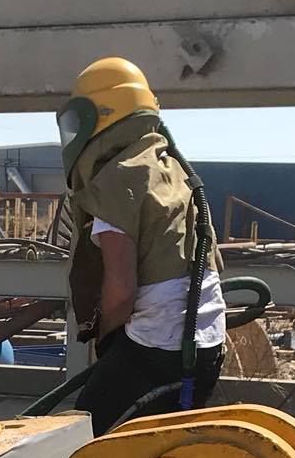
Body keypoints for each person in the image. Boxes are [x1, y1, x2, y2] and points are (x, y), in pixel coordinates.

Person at [58, 57, 225, 436]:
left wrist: (105, 343)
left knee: (85, 443)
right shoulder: (175, 171)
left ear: (95, 118)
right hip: (207, 348)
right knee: (158, 454)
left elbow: (120, 292)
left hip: (157, 351)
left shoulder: (117, 179)